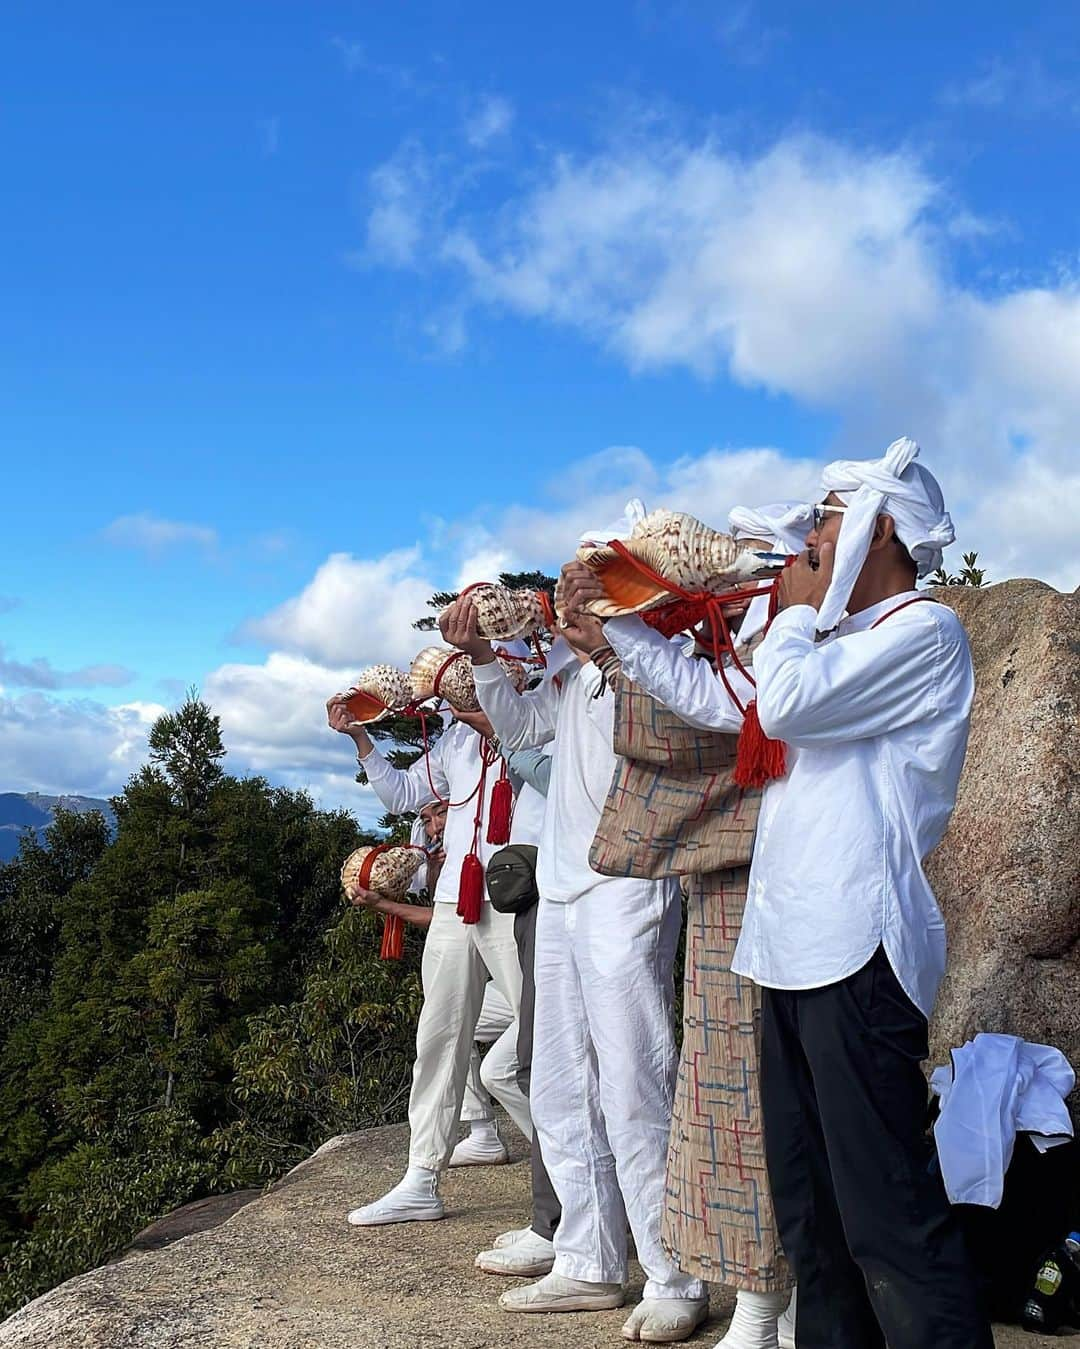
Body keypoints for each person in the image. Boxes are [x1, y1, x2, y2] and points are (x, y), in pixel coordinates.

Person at [572, 440, 992, 1348]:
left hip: (860, 951)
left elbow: (788, 704)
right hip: (789, 948)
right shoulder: (831, 644)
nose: (809, 536)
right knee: (815, 1221)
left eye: (829, 519)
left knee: (890, 1217)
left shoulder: (924, 634)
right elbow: (726, 698)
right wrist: (620, 627)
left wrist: (793, 614)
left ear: (881, 533)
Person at [569, 501, 810, 1349]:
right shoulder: (727, 643)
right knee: (725, 1091)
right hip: (726, 882)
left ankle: (797, 1299)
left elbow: (724, 712)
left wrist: (626, 628)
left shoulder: (808, 636)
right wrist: (625, 619)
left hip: (808, 880)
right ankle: (755, 1301)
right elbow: (708, 704)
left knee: (797, 1093)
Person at [440, 593, 708, 1344]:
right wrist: (488, 659)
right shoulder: (573, 668)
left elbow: (670, 736)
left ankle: (673, 1273)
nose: (564, 605)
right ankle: (588, 1255)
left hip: (629, 880)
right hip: (561, 882)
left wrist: (608, 646)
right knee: (559, 1079)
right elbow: (522, 729)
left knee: (634, 1079)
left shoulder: (664, 657)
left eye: (586, 589)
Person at [326, 699, 535, 1226]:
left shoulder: (534, 706)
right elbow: (402, 794)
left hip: (517, 892)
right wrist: (360, 737)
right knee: (438, 1036)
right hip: (454, 900)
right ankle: (422, 1179)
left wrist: (485, 704)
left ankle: (580, 1184)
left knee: (542, 1037)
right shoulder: (453, 740)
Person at [345, 798, 517, 1169]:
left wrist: (385, 906)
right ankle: (484, 1133)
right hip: (504, 989)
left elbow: (452, 916)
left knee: (497, 1071)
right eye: (426, 818)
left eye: (441, 812)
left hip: (529, 983)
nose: (434, 826)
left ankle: (568, 1161)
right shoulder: (446, 856)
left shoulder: (488, 843)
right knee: (449, 1021)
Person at [474, 746, 561, 1278]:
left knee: (540, 1069)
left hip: (559, 886)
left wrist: (504, 729)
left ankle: (562, 1220)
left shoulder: (559, 702)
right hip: (532, 891)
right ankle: (558, 1216)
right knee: (527, 1066)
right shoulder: (550, 698)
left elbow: (561, 774)